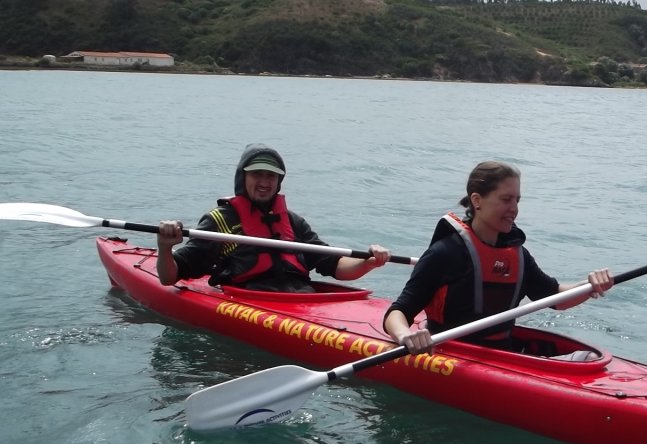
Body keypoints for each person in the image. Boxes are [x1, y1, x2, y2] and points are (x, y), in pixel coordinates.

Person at [384, 161, 613, 355]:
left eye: (517, 200)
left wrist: (590, 285)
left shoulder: (519, 256)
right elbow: (398, 312)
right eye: (506, 199)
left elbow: (554, 297)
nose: (514, 208)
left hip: (501, 355)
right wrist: (406, 336)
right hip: (449, 353)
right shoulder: (445, 253)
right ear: (477, 200)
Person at [156, 143, 390, 292]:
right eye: (257, 174)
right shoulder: (219, 222)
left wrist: (368, 262)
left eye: (271, 176)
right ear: (242, 177)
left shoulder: (293, 222)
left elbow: (335, 265)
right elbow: (169, 277)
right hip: (247, 300)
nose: (265, 182)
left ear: (279, 182)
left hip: (301, 301)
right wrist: (165, 248)